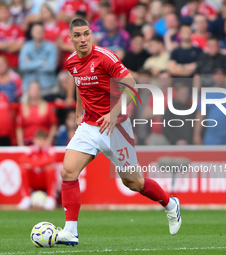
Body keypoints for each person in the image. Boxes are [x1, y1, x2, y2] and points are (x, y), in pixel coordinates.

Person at [55, 18, 181, 246]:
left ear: (91, 34)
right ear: (71, 39)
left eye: (86, 34)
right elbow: (80, 86)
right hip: (89, 126)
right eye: (78, 35)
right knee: (67, 172)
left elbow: (132, 86)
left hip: (117, 126)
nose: (83, 39)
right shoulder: (71, 62)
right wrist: (78, 111)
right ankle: (70, 231)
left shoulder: (106, 57)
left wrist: (112, 115)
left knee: (133, 183)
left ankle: (170, 205)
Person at [17, 130, 58, 210]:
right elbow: (21, 159)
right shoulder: (30, 150)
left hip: (44, 179)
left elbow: (51, 160)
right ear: (34, 140)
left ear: (46, 140)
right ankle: (26, 198)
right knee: (23, 169)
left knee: (50, 169)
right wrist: (41, 165)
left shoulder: (50, 150)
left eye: (42, 140)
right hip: (34, 179)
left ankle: (51, 198)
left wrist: (32, 164)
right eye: (38, 140)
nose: (40, 142)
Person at [19, 22, 58, 96]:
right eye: (36, 31)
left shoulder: (51, 46)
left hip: (48, 87)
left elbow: (51, 67)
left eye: (40, 31)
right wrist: (41, 62)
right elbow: (23, 66)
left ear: (44, 33)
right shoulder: (26, 47)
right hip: (29, 88)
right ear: (31, 33)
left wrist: (30, 63)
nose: (38, 33)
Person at [16, 82, 58, 146]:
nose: (34, 91)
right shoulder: (23, 108)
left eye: (36, 89)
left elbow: (54, 125)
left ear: (40, 91)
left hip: (43, 144)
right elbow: (19, 128)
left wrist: (49, 141)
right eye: (32, 89)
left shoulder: (47, 106)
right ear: (28, 91)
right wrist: (20, 145)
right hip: (27, 143)